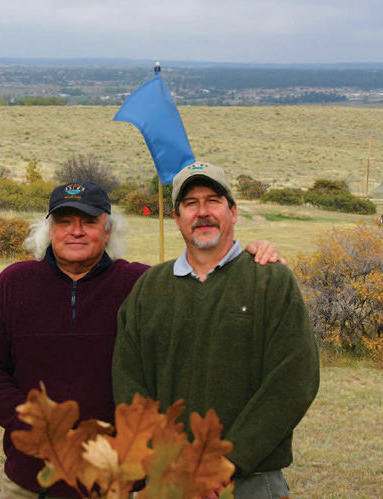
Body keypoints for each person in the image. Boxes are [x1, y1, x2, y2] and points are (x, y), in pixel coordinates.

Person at [0, 180, 284, 498]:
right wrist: (33, 423)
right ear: (49, 230)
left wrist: (250, 260)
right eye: (64, 222)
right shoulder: (13, 285)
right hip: (32, 479)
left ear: (108, 231)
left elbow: (206, 314)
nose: (76, 231)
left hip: (124, 479)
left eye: (89, 222)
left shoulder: (142, 284)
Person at [112, 163, 320, 499]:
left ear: (234, 212)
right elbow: (128, 381)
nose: (203, 212)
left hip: (250, 480)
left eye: (214, 200)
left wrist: (226, 462)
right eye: (190, 203)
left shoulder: (270, 280)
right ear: (177, 218)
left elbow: (294, 380)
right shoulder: (149, 288)